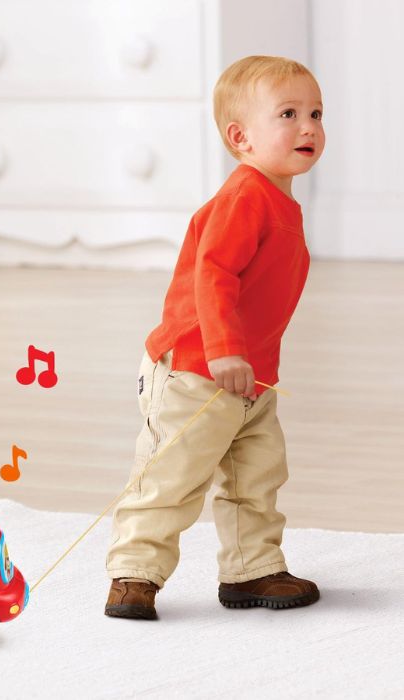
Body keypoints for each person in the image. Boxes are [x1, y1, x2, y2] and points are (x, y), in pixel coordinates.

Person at [105, 55, 326, 619]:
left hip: (251, 378)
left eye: (316, 114)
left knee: (256, 476)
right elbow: (213, 275)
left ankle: (252, 569)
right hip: (196, 370)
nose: (308, 126)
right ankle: (134, 574)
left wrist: (250, 364)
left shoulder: (279, 200)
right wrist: (225, 349)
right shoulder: (244, 197)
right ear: (240, 137)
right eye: (288, 114)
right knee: (171, 477)